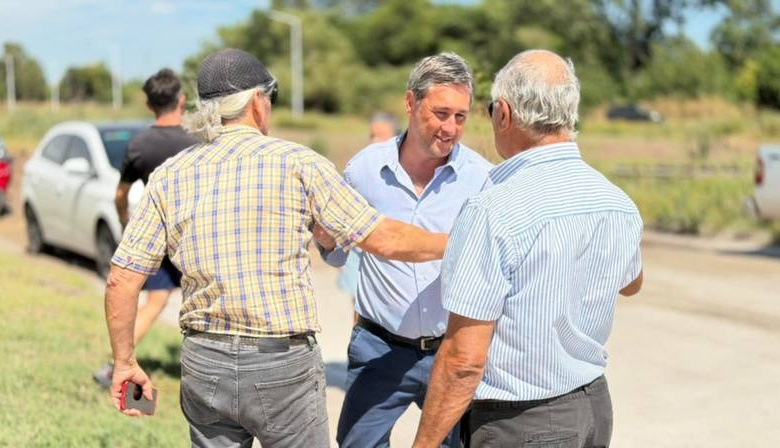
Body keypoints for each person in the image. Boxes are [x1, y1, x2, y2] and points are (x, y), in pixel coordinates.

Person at [103, 48, 449, 448]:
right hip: (279, 364)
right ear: (256, 102)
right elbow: (382, 238)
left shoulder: (170, 174)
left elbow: (121, 278)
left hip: (203, 362)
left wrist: (125, 362)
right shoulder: (298, 163)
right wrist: (454, 242)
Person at [413, 49, 644, 448]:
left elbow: (463, 361)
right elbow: (631, 283)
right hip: (592, 407)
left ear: (503, 113)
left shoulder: (493, 210)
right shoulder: (616, 201)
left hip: (523, 421)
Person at [313, 52, 493, 448]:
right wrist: (325, 237)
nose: (450, 128)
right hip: (379, 348)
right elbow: (338, 254)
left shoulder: (482, 178)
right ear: (410, 103)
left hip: (452, 351)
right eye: (441, 113)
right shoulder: (363, 170)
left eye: (460, 117)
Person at [93, 68, 197, 388]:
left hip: (161, 235)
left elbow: (121, 194)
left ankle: (115, 365)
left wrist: (125, 220)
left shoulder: (139, 146)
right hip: (196, 236)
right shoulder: (197, 142)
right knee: (203, 300)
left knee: (155, 301)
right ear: (181, 101)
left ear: (150, 105)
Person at [336, 112, 401, 314]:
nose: (374, 141)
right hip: (359, 254)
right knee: (358, 311)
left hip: (391, 256)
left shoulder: (403, 172)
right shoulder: (359, 169)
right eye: (372, 135)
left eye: (381, 136)